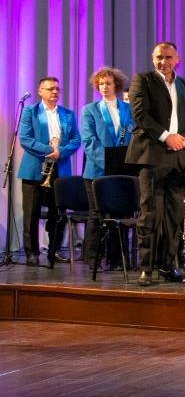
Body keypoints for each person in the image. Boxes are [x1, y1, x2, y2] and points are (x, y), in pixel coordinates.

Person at [126, 42, 185, 285]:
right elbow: (140, 116)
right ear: (153, 58)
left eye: (168, 57)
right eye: (159, 57)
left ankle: (168, 266)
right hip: (152, 156)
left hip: (179, 158)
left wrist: (184, 139)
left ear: (177, 59)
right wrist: (166, 136)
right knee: (150, 213)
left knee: (174, 216)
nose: (163, 62)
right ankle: (146, 268)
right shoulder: (142, 81)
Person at [18, 77, 81, 266]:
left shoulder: (68, 114)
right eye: (50, 88)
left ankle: (54, 250)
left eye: (57, 89)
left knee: (58, 213)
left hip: (60, 170)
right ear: (40, 91)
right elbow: (25, 138)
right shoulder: (30, 111)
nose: (54, 92)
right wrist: (49, 151)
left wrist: (60, 152)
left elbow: (76, 140)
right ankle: (32, 253)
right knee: (31, 213)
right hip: (34, 169)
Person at [80, 67, 133, 271]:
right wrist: (109, 164)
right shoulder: (89, 110)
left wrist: (124, 164)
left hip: (122, 172)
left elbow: (134, 137)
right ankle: (93, 258)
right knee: (97, 215)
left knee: (119, 216)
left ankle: (116, 259)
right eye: (101, 84)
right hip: (97, 172)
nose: (104, 87)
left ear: (116, 85)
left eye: (108, 83)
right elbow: (89, 141)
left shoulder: (128, 109)